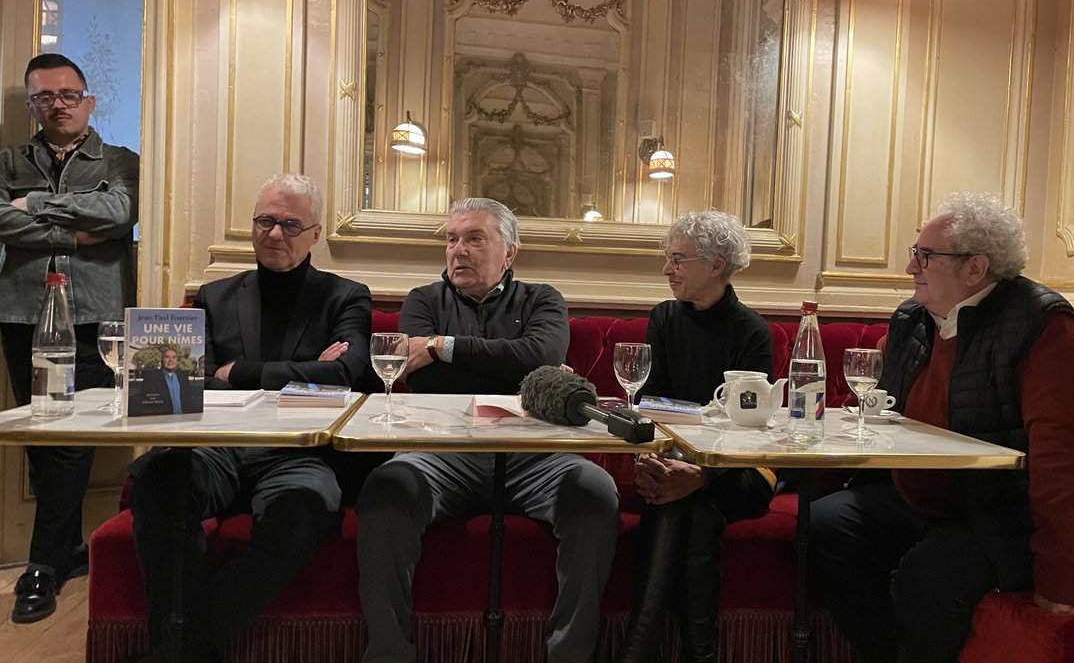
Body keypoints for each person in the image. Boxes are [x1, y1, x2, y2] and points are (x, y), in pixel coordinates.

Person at [808, 192, 1074, 663]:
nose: (910, 268)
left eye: (925, 256)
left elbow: (1063, 458)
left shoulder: (1041, 325)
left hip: (997, 513)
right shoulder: (913, 319)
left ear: (975, 268)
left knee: (927, 579)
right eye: (914, 253)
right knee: (824, 523)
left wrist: (1062, 577)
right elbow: (873, 411)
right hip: (920, 497)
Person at [355, 197, 619, 663]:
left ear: (509, 252)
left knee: (595, 491)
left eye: (475, 239)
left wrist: (445, 346)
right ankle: (389, 654)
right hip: (440, 452)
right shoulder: (423, 300)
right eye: (452, 239)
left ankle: (570, 656)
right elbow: (430, 377)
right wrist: (510, 363)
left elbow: (539, 357)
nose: (458, 250)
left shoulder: (542, 299)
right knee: (385, 489)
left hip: (532, 455)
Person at [127, 174, 372, 663]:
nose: (274, 234)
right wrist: (307, 374)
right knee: (155, 479)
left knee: (306, 509)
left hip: (296, 451)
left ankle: (179, 647)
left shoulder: (345, 296)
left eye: (289, 224)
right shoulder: (215, 297)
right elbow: (192, 383)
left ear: (316, 233)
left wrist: (240, 370)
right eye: (264, 221)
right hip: (216, 444)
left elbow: (348, 375)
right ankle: (184, 647)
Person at [0, 53, 139, 623]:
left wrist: (34, 204)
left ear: (88, 99)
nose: (57, 104)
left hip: (95, 316)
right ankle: (64, 552)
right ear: (33, 104)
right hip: (22, 313)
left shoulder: (121, 159)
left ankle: (42, 563)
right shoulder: (9, 160)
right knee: (40, 433)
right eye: (44, 97)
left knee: (75, 434)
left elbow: (120, 210)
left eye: (67, 94)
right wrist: (80, 233)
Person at [617, 211, 776, 663]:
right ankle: (697, 654)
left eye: (678, 259)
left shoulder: (752, 331)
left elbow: (749, 430)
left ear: (716, 265)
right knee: (691, 513)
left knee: (683, 501)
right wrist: (659, 464)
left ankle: (637, 648)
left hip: (742, 471)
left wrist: (702, 475)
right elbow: (651, 405)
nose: (667, 270)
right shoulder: (664, 318)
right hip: (676, 462)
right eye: (668, 259)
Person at [136, 347, 203, 414]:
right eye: (167, 357)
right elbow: (146, 403)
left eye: (174, 357)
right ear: (162, 360)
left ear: (177, 360)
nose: (170, 360)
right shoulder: (151, 377)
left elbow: (187, 399)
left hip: (182, 419)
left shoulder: (183, 376)